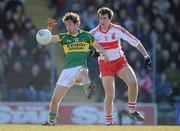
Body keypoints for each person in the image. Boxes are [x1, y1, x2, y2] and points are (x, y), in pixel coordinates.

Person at [90, 7, 152, 125]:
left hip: (119, 62)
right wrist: (97, 53)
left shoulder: (117, 29)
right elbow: (85, 48)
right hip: (105, 65)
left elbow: (135, 41)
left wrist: (146, 56)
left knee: (133, 83)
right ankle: (109, 122)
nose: (102, 21)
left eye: (104, 18)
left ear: (110, 19)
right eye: (100, 18)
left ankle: (133, 110)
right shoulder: (93, 33)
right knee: (110, 95)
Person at [42, 12, 106, 126]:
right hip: (66, 72)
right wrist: (49, 28)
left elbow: (99, 47)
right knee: (55, 100)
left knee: (83, 72)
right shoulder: (64, 37)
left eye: (70, 24)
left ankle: (88, 86)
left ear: (77, 24)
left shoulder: (86, 36)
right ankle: (51, 122)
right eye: (66, 25)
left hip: (79, 68)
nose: (68, 27)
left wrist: (105, 54)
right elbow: (47, 39)